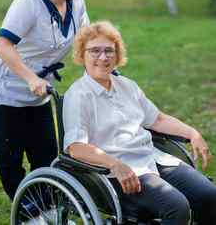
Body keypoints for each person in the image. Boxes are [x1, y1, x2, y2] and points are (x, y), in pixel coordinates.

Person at [63, 20, 216, 225]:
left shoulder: (127, 86)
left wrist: (192, 133)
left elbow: (158, 119)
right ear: (82, 55)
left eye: (109, 51)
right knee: (176, 208)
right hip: (118, 172)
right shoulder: (78, 95)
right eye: (95, 51)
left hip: (153, 158)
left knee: (209, 195)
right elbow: (76, 147)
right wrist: (115, 164)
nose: (103, 57)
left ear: (117, 55)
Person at [0, 0, 89, 201]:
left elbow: (85, 39)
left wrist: (102, 72)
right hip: (5, 91)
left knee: (46, 155)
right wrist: (30, 78)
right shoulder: (27, 4)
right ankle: (28, 212)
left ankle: (49, 208)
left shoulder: (77, 0)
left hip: (39, 92)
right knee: (11, 159)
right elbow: (2, 46)